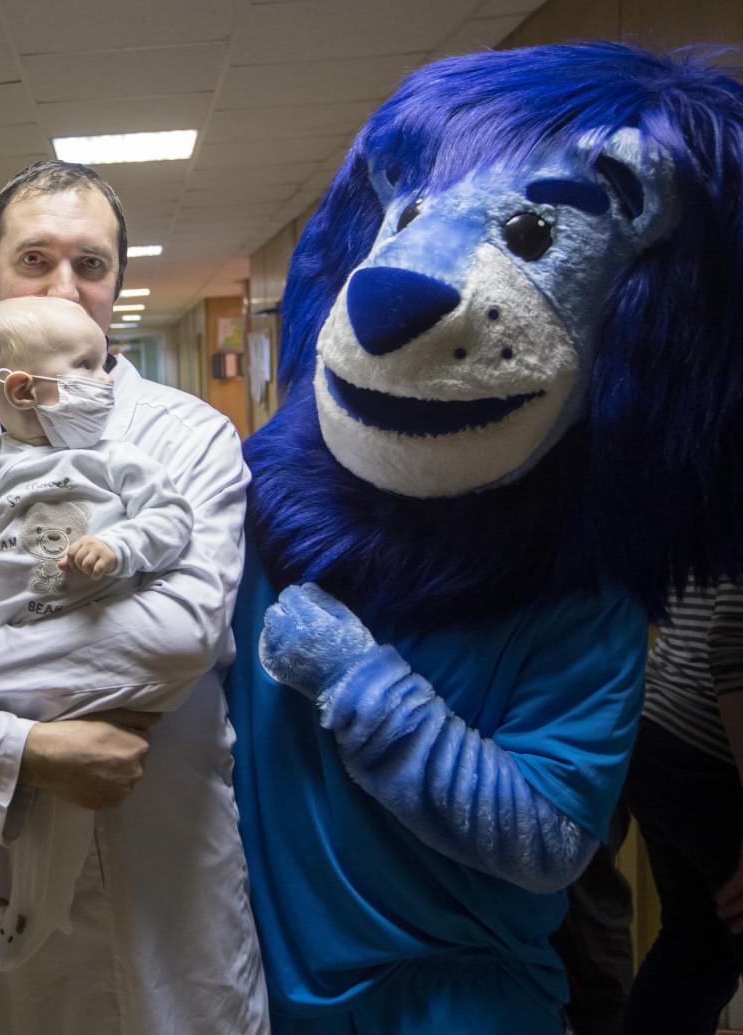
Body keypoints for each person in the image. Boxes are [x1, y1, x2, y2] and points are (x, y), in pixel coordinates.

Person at [229, 43, 743, 1035]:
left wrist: (358, 684)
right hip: (246, 986)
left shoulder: (578, 604)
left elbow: (547, 834)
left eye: (529, 229)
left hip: (457, 1005)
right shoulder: (257, 512)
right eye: (409, 216)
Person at [0, 160, 269, 1034]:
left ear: (120, 281)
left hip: (162, 877)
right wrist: (27, 748)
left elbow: (169, 641)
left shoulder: (186, 436)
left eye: (92, 264)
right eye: (35, 260)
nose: (66, 289)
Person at [0, 294, 193, 970]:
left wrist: (120, 545)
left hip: (81, 654)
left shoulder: (113, 458)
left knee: (58, 810)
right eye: (88, 366)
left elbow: (173, 518)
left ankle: (37, 910)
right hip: (3, 655)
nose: (107, 379)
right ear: (25, 388)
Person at [621, 581, 743, 1035]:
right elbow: (732, 647)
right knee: (699, 946)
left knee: (698, 946)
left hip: (662, 735)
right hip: (708, 752)